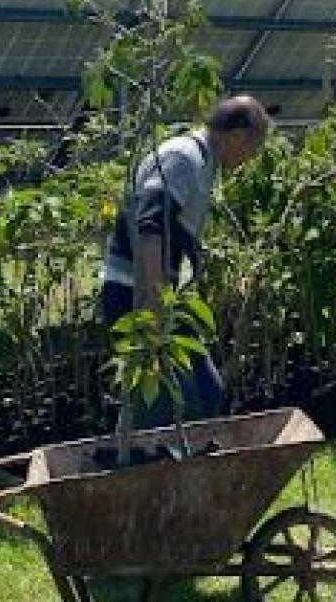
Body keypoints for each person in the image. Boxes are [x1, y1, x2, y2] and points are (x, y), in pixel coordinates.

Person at [98, 95, 272, 426]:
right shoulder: (184, 158)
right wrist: (156, 306)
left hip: (162, 300)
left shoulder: (202, 163)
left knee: (206, 396)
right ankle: (148, 470)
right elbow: (150, 227)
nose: (251, 158)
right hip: (135, 297)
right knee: (169, 408)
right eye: (254, 148)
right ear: (236, 136)